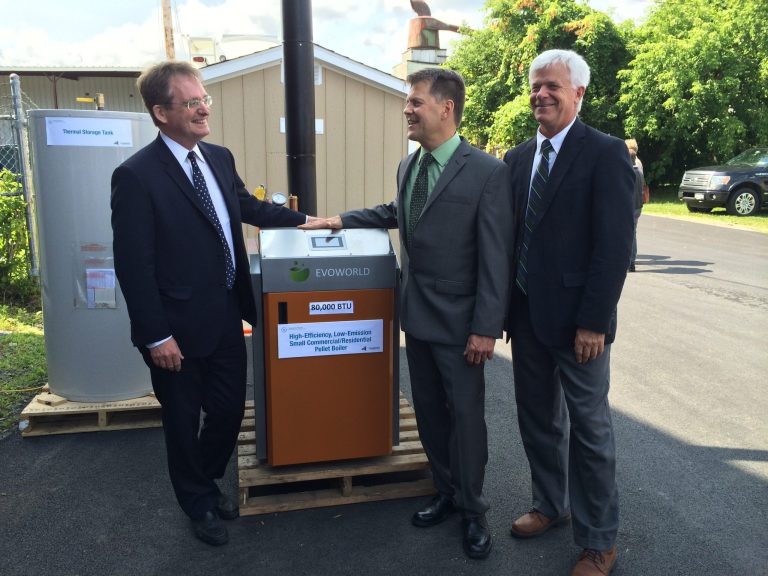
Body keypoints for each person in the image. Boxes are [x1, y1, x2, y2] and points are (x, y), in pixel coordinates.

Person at [301, 68, 512, 559]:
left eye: (415, 101)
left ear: (446, 108)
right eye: (407, 101)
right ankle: (445, 492)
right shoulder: (409, 165)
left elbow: (496, 258)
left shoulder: (486, 172)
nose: (407, 110)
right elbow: (397, 211)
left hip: (462, 327)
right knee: (431, 417)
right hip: (415, 316)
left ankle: (475, 510)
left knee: (465, 419)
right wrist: (341, 220)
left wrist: (485, 328)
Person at [111, 61, 313, 546]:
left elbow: (247, 207)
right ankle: (198, 502)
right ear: (161, 113)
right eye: (192, 102)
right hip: (174, 327)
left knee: (225, 411)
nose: (204, 109)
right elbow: (133, 266)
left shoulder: (218, 158)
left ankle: (201, 481)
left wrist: (307, 220)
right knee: (182, 421)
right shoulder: (136, 176)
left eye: (205, 99)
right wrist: (156, 335)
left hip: (225, 312)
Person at [503, 50, 634, 576]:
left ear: (578, 93)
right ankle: (549, 505)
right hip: (528, 318)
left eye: (553, 87)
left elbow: (614, 247)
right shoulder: (515, 159)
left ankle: (600, 541)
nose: (542, 95)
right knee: (537, 421)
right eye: (536, 87)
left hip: (581, 325)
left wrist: (594, 322)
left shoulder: (604, 154)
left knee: (590, 431)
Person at [625, 139, 646, 272]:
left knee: (629, 234)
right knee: (633, 233)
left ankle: (630, 261)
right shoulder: (639, 171)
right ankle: (631, 260)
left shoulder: (629, 173)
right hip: (638, 206)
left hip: (630, 206)